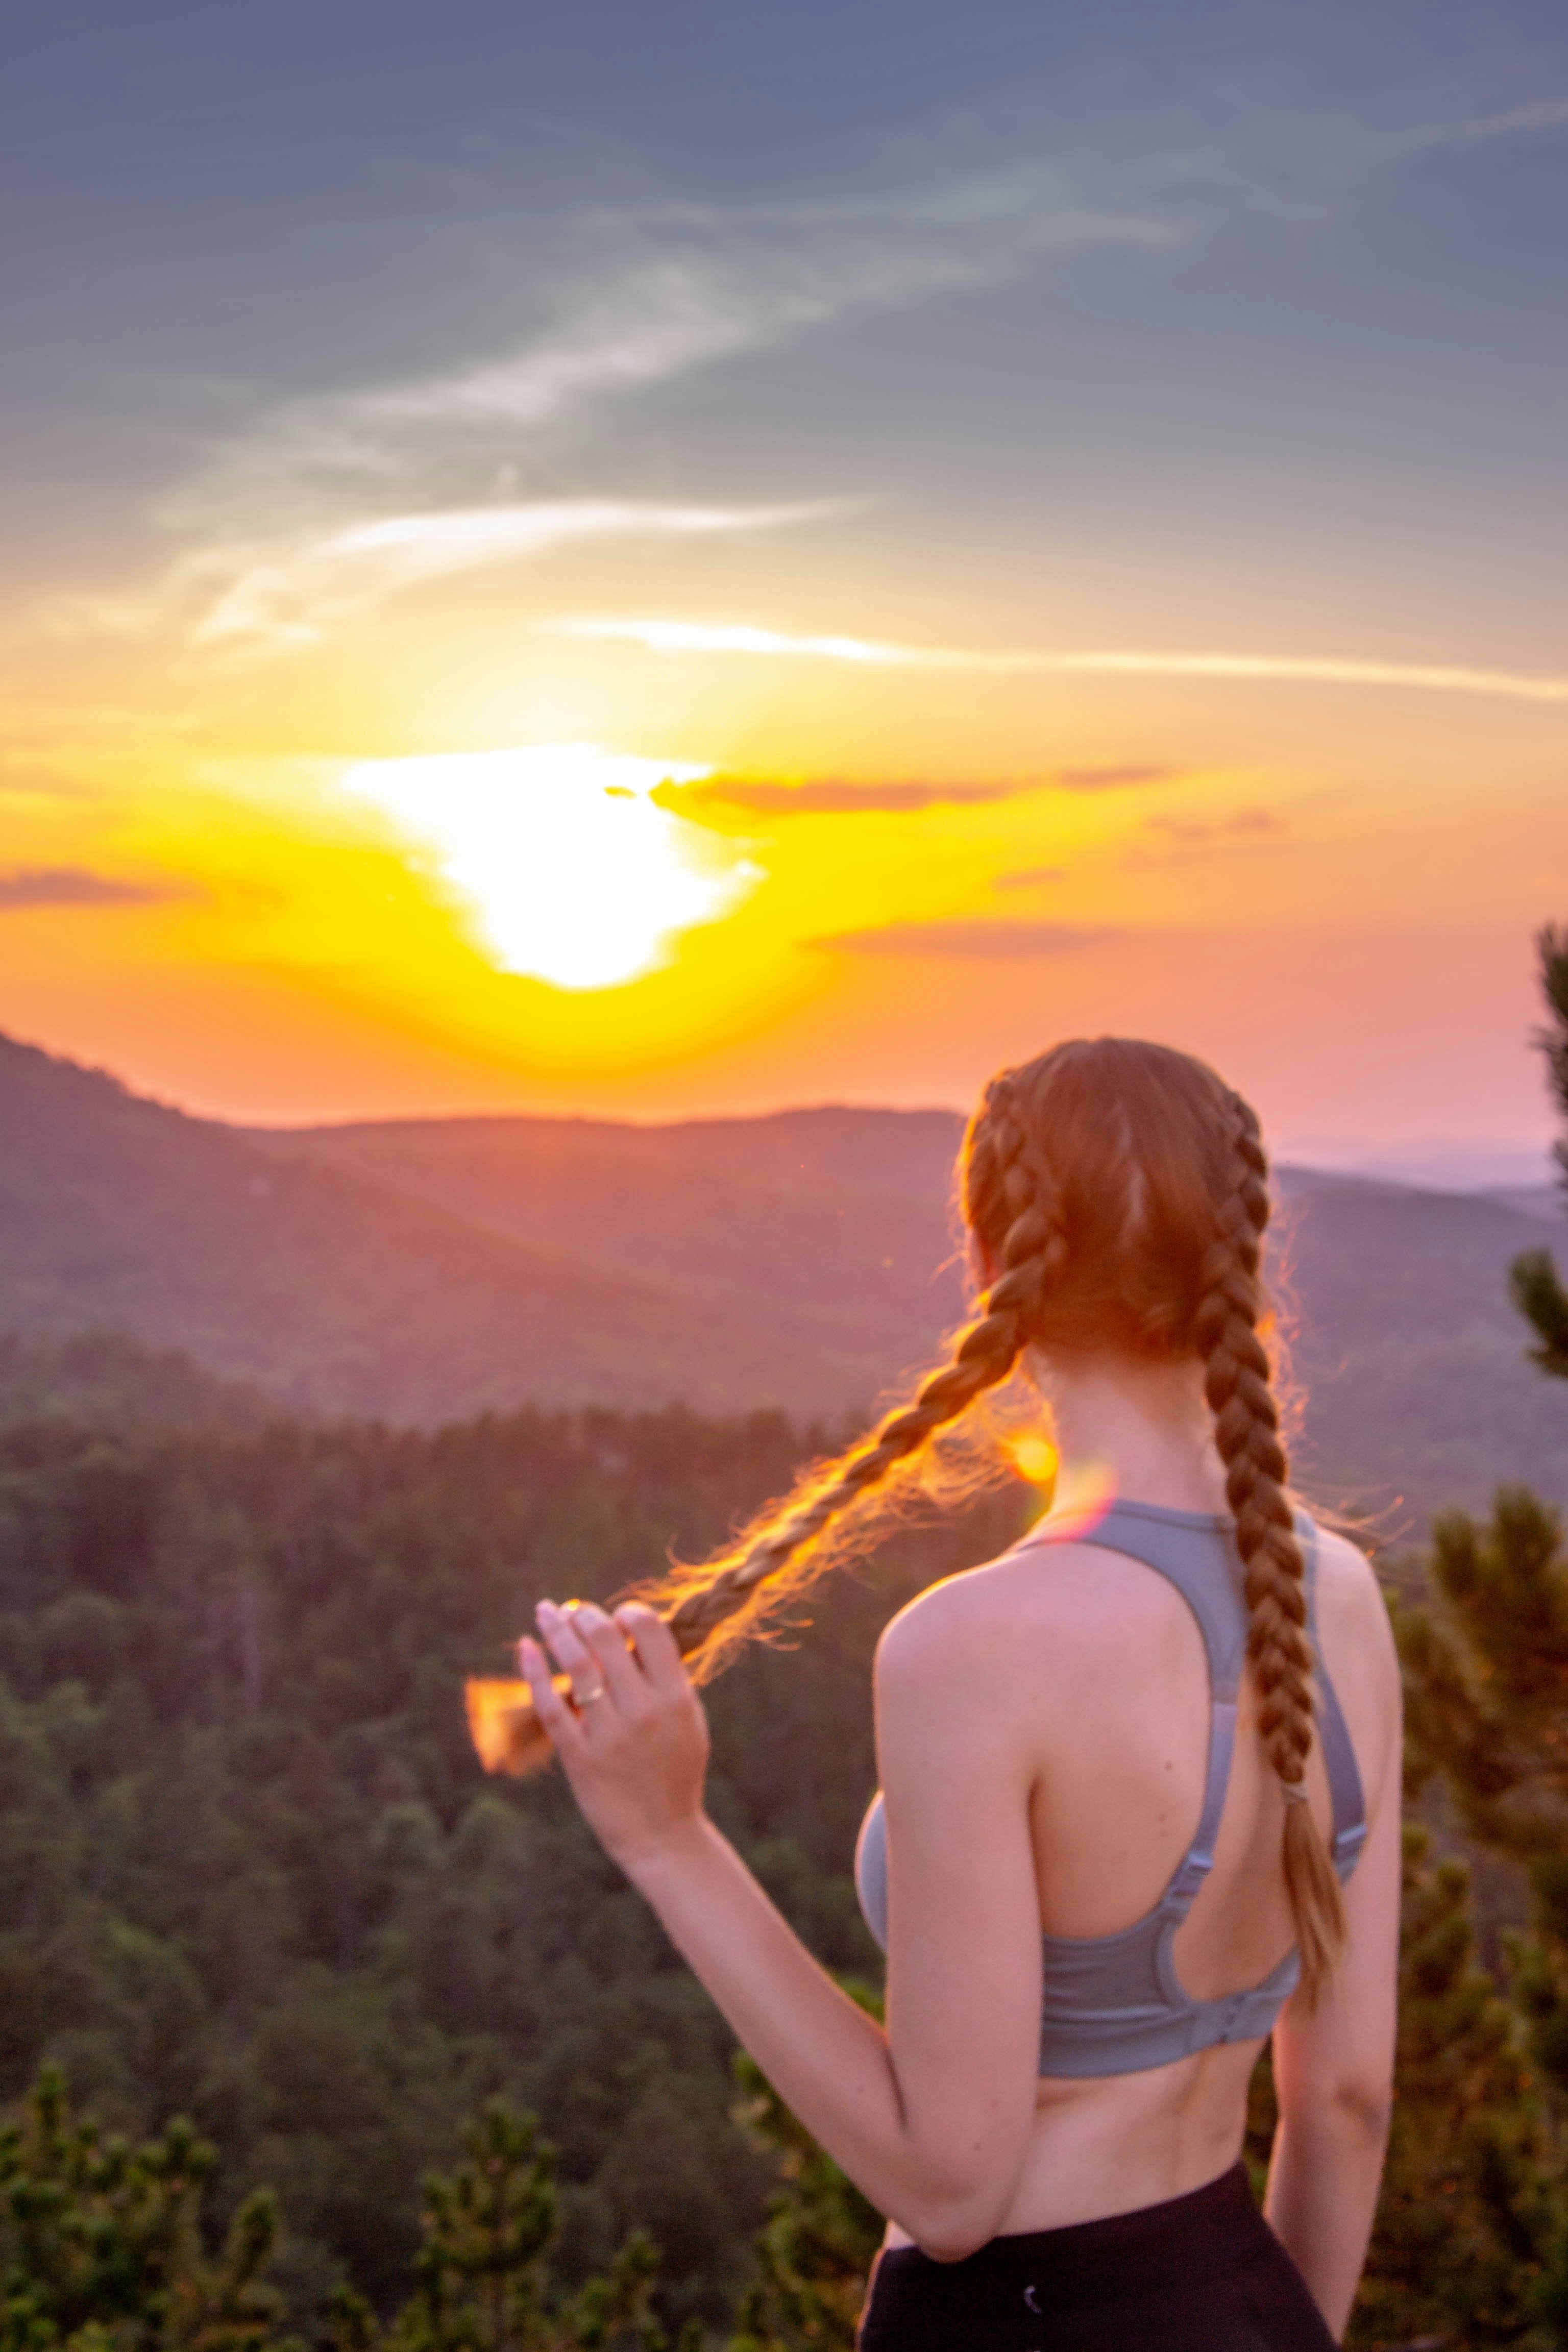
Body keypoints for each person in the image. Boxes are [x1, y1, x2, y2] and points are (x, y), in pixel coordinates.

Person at [516, 1038, 1401, 2350]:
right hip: (1249, 2298)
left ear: (995, 1274)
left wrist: (668, 1837)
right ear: (1242, 1264)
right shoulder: (1343, 1600)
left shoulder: (973, 1646)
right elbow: (1346, 2100)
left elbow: (952, 2188)